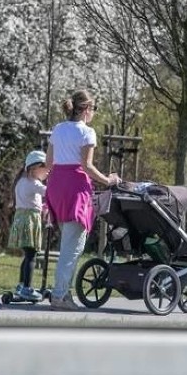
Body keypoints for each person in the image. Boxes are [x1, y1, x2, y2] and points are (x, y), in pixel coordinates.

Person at [45, 89, 121, 310]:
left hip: (57, 186)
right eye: (94, 109)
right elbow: (86, 166)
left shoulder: (58, 129)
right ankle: (60, 295)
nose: (94, 113)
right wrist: (107, 180)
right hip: (75, 189)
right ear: (87, 109)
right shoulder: (87, 133)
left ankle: (61, 291)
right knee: (72, 247)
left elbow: (49, 162)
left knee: (67, 243)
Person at [7, 149, 49, 302]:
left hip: (21, 219)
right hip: (30, 220)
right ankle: (27, 288)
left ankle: (21, 286)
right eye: (46, 169)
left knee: (27, 255)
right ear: (35, 168)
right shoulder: (33, 183)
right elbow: (49, 192)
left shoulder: (21, 181)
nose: (47, 173)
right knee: (32, 256)